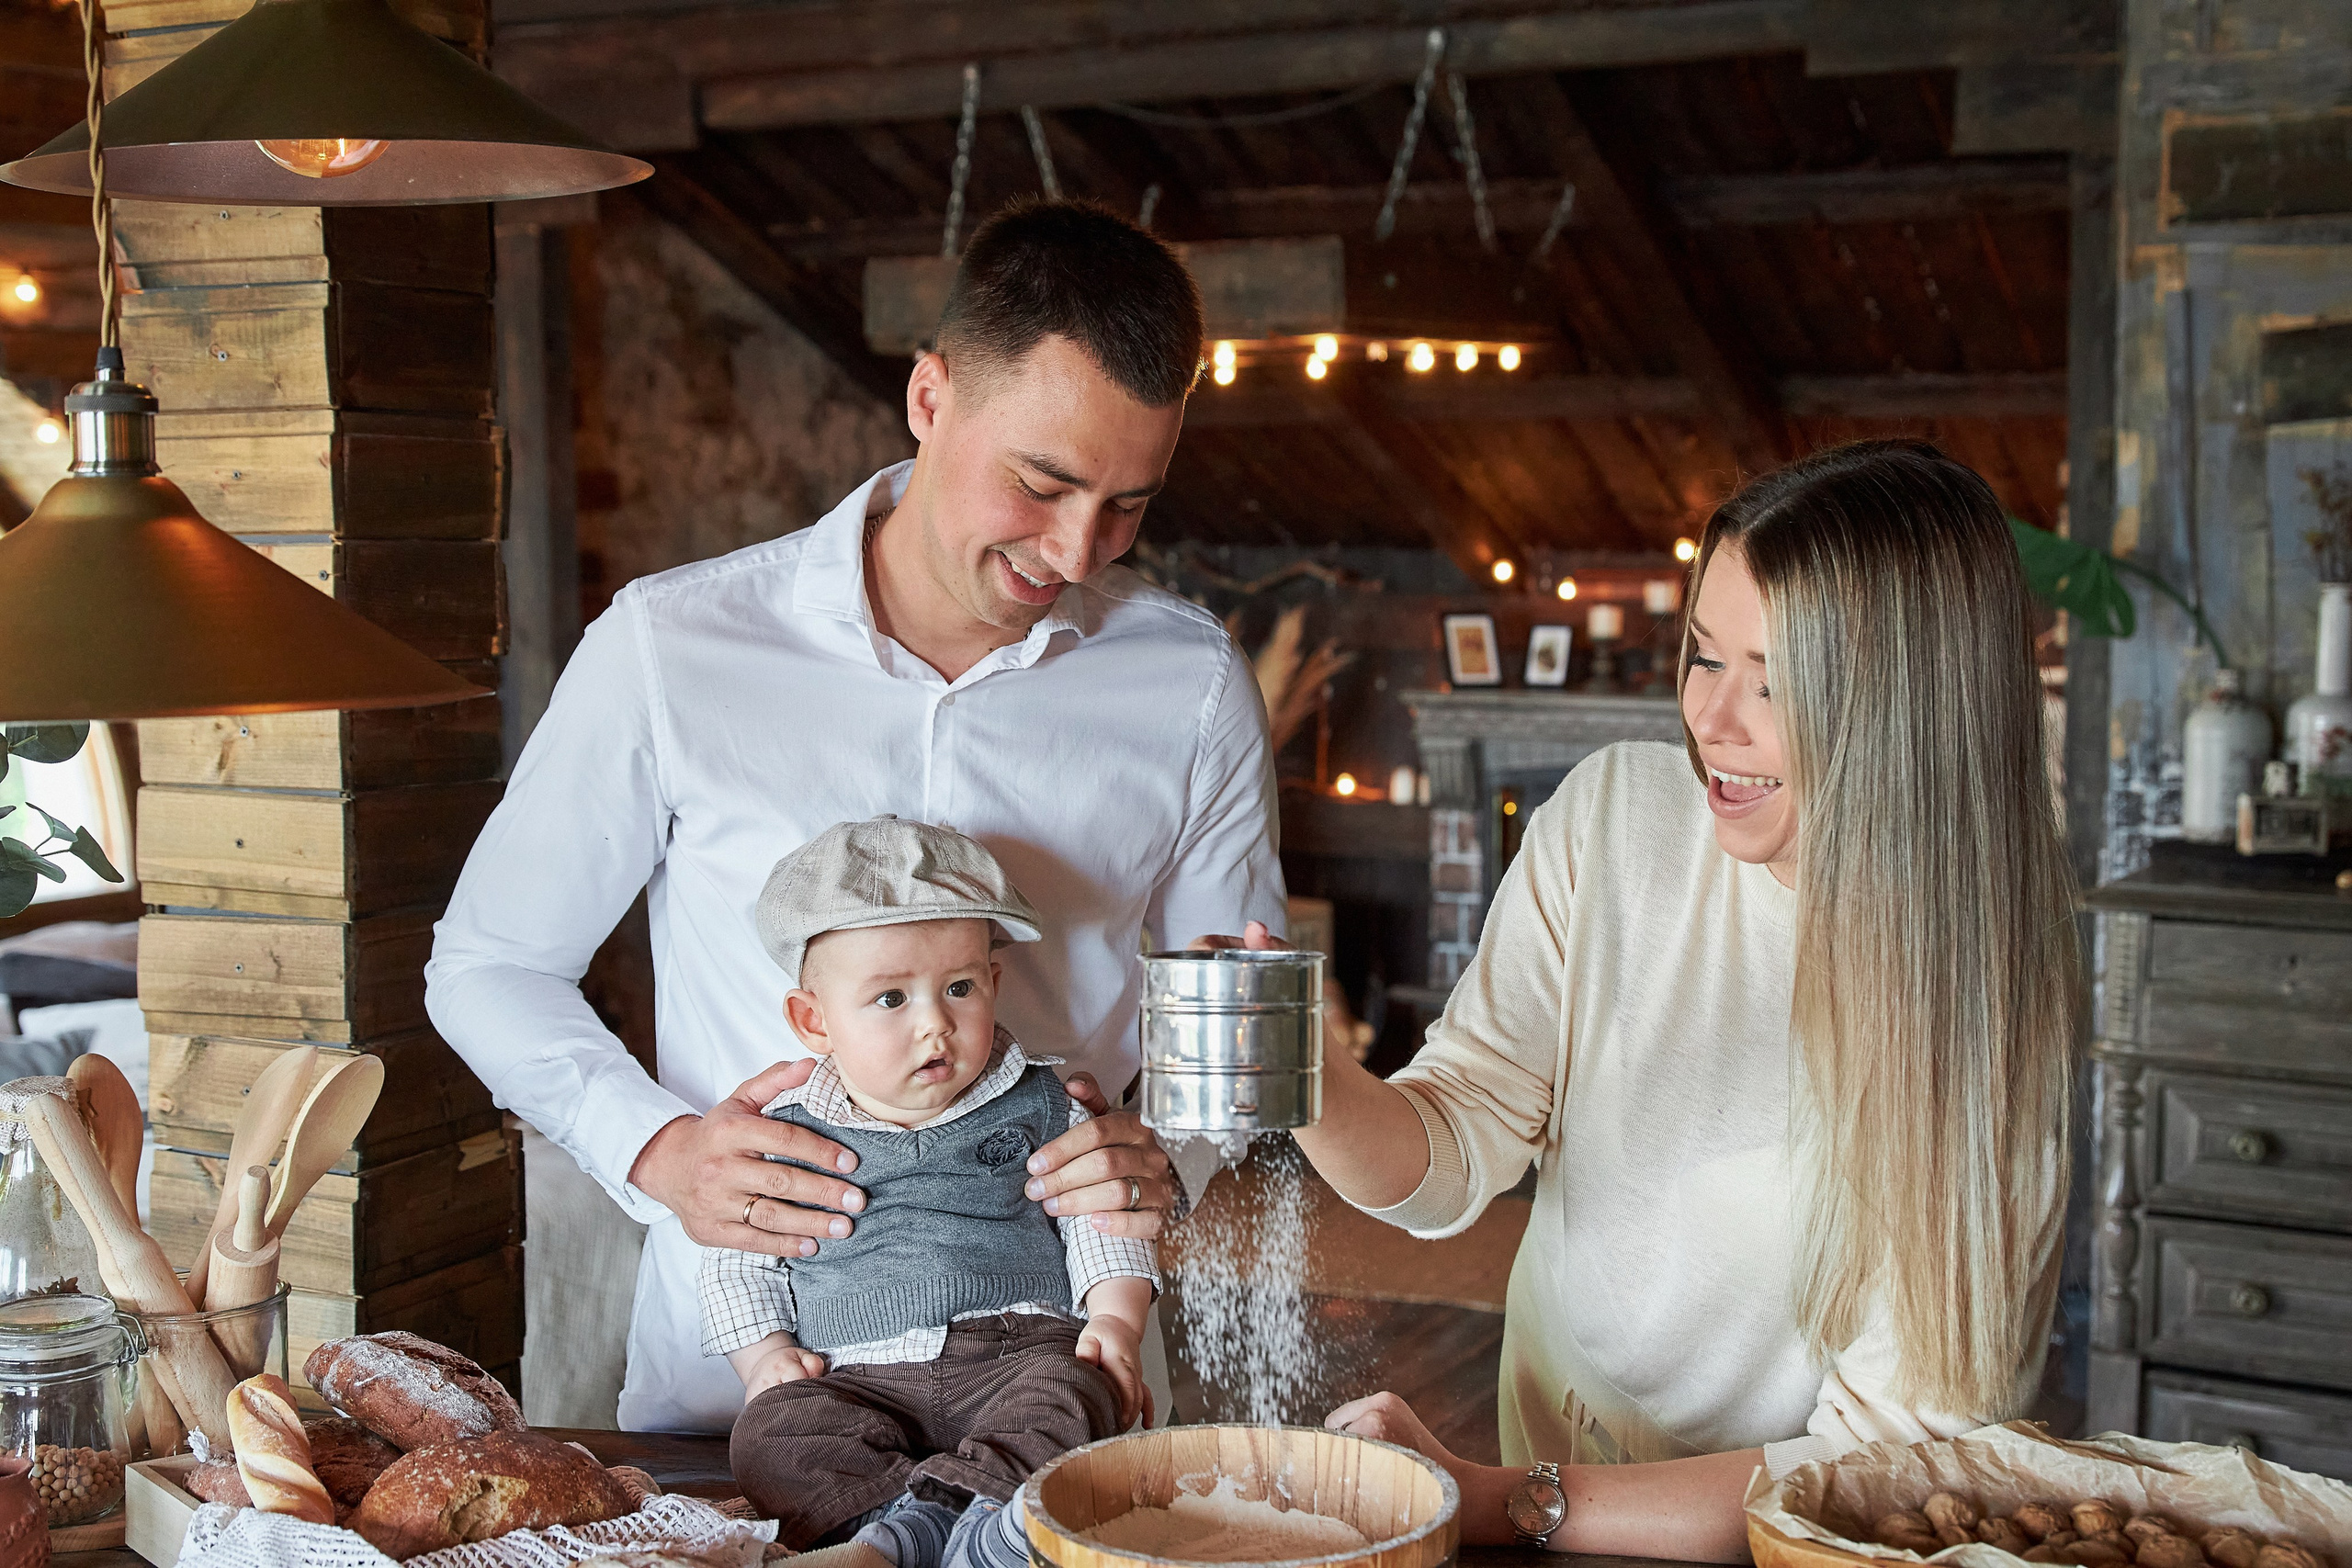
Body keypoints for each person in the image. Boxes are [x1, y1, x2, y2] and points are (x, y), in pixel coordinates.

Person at [425, 197, 1285, 1431]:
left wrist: (1166, 1153)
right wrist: (657, 1150)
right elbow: (490, 963)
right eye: (1043, 483)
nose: (1080, 549)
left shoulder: (1191, 683)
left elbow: (1230, 1032)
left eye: (1130, 503)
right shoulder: (673, 647)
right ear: (931, 398)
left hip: (1062, 1395)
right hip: (744, 1393)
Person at [1287, 442, 2077, 1562]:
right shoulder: (1612, 821)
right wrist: (1293, 1067)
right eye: (1705, 655)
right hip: (1540, 1463)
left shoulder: (1978, 999)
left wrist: (1507, 1501)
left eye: (1778, 678)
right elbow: (1453, 1148)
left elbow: (1885, 1469)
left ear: (1913, 709)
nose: (1713, 717)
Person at [709, 818, 1155, 1568]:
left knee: (1078, 1395)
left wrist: (1117, 1318)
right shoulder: (786, 1138)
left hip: (1017, 1353)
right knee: (769, 1435)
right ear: (813, 1019)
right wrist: (764, 1359)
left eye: (958, 987)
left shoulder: (1046, 1104)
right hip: (853, 1377)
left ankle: (920, 1535)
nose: (935, 1025)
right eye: (890, 999)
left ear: (995, 983)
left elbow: (1103, 1214)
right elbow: (738, 1260)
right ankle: (918, 1526)